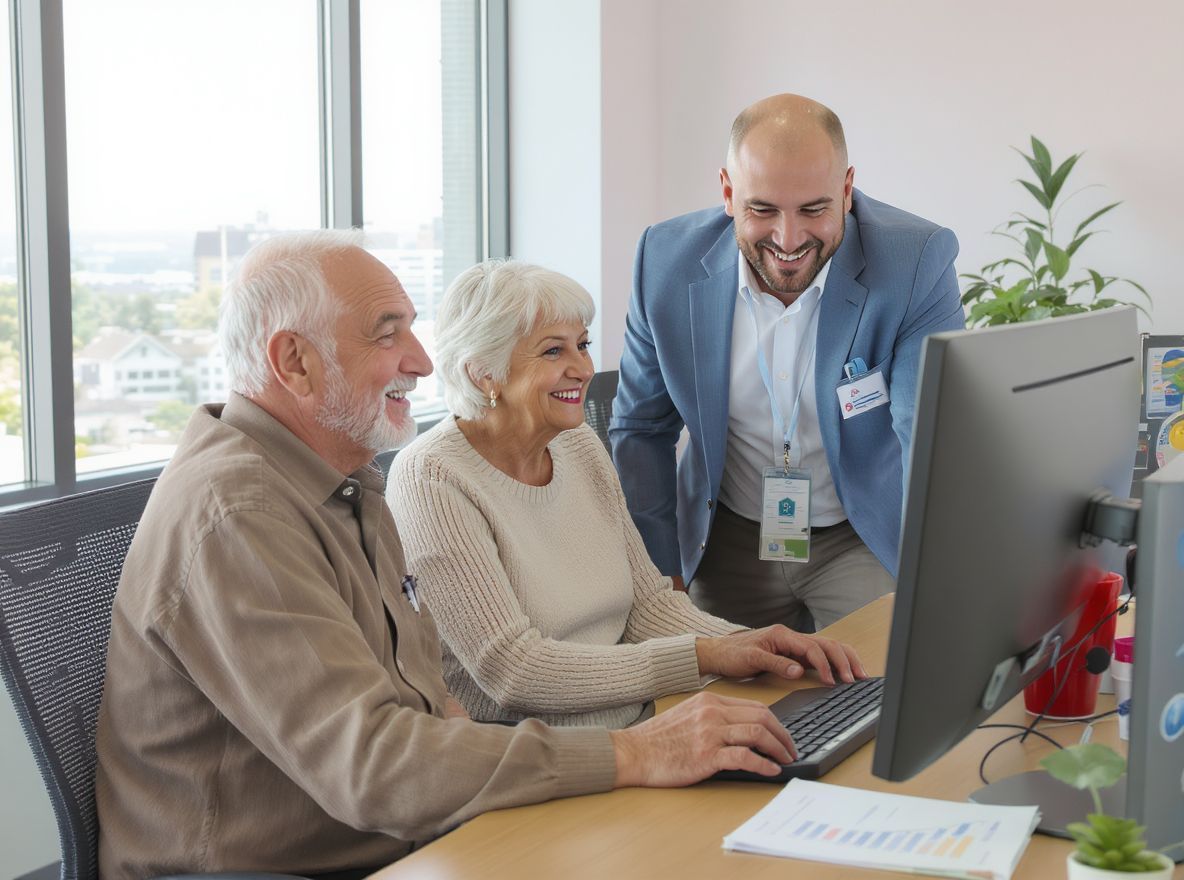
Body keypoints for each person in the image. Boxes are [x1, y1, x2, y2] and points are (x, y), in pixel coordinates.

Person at [94, 231, 809, 880]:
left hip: (402, 835)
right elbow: (376, 765)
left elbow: (425, 697)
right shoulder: (240, 516)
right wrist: (636, 754)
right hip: (285, 865)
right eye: (387, 334)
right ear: (294, 362)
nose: (423, 360)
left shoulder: (341, 482)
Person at [386, 259, 864, 729]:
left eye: (582, 345)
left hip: (643, 718)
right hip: (536, 752)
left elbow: (648, 606)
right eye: (554, 352)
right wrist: (704, 655)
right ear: (482, 374)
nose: (582, 368)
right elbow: (516, 671)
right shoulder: (431, 478)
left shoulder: (576, 444)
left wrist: (755, 646)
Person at [612, 93, 965, 632]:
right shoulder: (664, 261)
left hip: (858, 532)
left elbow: (930, 430)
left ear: (847, 190)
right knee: (717, 702)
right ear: (728, 193)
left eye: (814, 209)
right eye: (763, 209)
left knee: (878, 694)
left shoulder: (915, 261)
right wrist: (661, 580)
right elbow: (641, 429)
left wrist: (949, 570)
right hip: (724, 533)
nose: (789, 238)